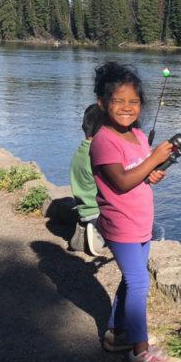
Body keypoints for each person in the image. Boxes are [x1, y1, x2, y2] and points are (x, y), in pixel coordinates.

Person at [90, 61, 181, 362]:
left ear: (141, 105)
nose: (127, 107)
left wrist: (153, 172)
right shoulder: (104, 141)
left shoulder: (138, 136)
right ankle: (140, 354)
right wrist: (154, 159)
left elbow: (137, 173)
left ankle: (118, 335)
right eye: (118, 101)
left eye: (134, 102)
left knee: (132, 281)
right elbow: (122, 181)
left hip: (140, 221)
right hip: (121, 224)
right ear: (102, 103)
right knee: (139, 283)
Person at [69, 104, 105, 256]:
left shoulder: (81, 151)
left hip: (83, 209)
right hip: (98, 212)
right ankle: (97, 231)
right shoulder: (98, 154)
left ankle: (87, 227)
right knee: (156, 230)